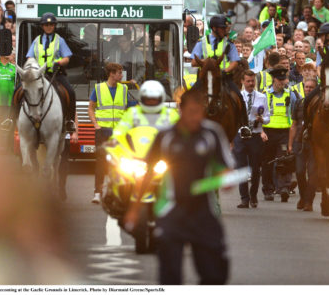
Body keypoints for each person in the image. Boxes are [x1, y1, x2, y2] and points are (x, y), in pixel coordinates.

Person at [125, 88, 234, 285]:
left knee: (215, 275)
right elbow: (147, 174)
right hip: (172, 212)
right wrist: (135, 208)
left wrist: (226, 178)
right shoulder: (164, 137)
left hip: (204, 213)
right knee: (170, 275)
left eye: (200, 112)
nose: (196, 117)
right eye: (192, 112)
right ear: (181, 110)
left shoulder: (212, 134)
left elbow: (225, 168)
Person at [88, 62, 134, 204]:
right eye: (119, 73)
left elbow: (130, 109)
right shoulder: (98, 89)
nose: (122, 75)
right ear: (112, 74)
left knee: (120, 164)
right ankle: (97, 192)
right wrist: (96, 125)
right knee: (101, 163)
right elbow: (91, 108)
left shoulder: (124, 89)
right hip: (103, 131)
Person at [25, 13, 76, 131]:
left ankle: (70, 121)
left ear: (54, 26)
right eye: (46, 24)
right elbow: (30, 57)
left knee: (70, 92)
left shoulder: (60, 40)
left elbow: (67, 58)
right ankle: (13, 119)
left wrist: (58, 63)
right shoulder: (37, 40)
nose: (49, 27)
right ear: (42, 26)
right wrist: (33, 67)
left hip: (55, 74)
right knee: (19, 90)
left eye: (51, 24)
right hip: (38, 75)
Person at [261, 67, 300, 203]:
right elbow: (258, 115)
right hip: (268, 132)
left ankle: (284, 188)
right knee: (267, 162)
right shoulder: (265, 94)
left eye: (284, 80)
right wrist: (261, 131)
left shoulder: (291, 94)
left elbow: (295, 113)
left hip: (285, 132)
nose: (282, 82)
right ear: (274, 79)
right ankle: (268, 189)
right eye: (279, 80)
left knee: (284, 160)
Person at [235, 70, 269, 209]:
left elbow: (267, 117)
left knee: (255, 168)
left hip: (255, 135)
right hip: (241, 135)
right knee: (241, 168)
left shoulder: (262, 97)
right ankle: (244, 198)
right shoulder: (238, 96)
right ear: (243, 81)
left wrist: (262, 119)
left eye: (252, 81)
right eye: (248, 81)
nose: (251, 84)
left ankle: (253, 194)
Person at [290, 75, 317, 211]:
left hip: (314, 143)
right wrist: (290, 144)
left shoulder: (320, 104)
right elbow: (294, 124)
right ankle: (303, 196)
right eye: (306, 87)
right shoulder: (299, 103)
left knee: (312, 173)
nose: (308, 89)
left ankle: (309, 201)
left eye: (311, 87)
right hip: (299, 142)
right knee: (300, 172)